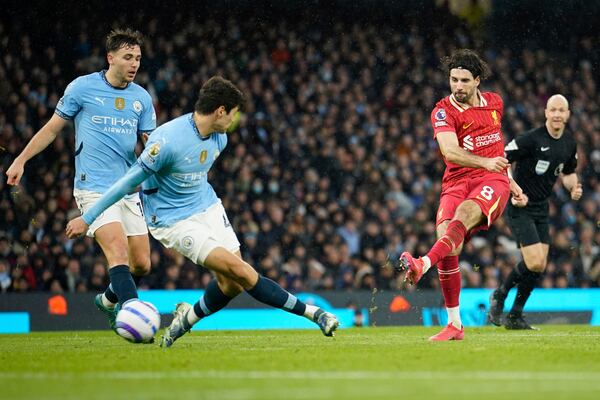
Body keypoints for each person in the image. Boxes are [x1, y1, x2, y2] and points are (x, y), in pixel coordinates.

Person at [66, 76, 339, 347]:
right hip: (173, 220)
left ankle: (185, 320)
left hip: (207, 206)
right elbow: (127, 182)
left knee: (231, 284)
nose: (233, 121)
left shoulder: (220, 139)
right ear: (220, 111)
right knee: (241, 272)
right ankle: (316, 315)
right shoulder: (167, 141)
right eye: (232, 114)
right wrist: (88, 217)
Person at [6, 29, 156, 329]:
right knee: (117, 251)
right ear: (110, 58)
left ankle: (109, 299)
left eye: (138, 58)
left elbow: (151, 144)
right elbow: (51, 129)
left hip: (127, 188)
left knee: (142, 263)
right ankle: (133, 319)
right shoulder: (82, 88)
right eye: (128, 57)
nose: (134, 64)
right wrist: (21, 159)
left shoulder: (141, 98)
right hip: (93, 187)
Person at [394, 49, 524, 341]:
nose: (458, 86)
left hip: (491, 179)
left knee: (464, 214)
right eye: (454, 80)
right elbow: (450, 151)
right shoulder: (442, 111)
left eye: (465, 80)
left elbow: (497, 148)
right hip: (456, 180)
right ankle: (455, 325)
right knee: (448, 243)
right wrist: (486, 161)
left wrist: (509, 179)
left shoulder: (494, 103)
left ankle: (422, 263)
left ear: (477, 80)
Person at [488, 94, 581, 330]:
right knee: (534, 261)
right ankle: (500, 295)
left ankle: (515, 315)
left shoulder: (569, 143)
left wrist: (573, 187)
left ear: (568, 114)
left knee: (539, 265)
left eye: (562, 110)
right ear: (546, 113)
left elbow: (568, 172)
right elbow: (501, 160)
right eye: (553, 110)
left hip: (541, 207)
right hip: (520, 207)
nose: (558, 114)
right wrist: (513, 189)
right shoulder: (531, 139)